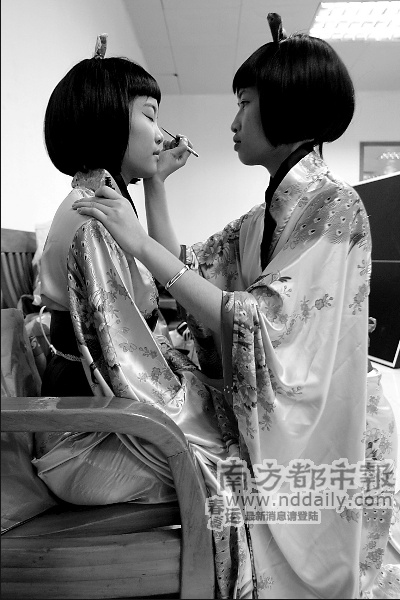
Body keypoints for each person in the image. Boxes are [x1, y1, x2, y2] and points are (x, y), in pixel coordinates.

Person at [34, 18, 398, 599]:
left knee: (243, 454)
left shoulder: (334, 206)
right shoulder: (112, 216)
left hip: (322, 407)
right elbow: (191, 271)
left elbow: (257, 318)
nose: (232, 121)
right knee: (225, 449)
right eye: (149, 116)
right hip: (99, 411)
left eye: (245, 104)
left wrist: (143, 241)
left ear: (284, 108)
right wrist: (155, 193)